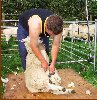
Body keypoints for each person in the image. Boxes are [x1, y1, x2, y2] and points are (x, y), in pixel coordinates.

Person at [17, 8, 63, 74]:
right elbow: (33, 45)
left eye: (54, 34)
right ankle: (28, 74)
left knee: (45, 50)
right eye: (50, 34)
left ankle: (44, 73)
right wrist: (43, 61)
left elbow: (55, 44)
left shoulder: (58, 26)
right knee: (24, 51)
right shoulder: (35, 23)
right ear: (46, 27)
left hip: (42, 29)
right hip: (25, 27)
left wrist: (53, 63)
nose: (52, 36)